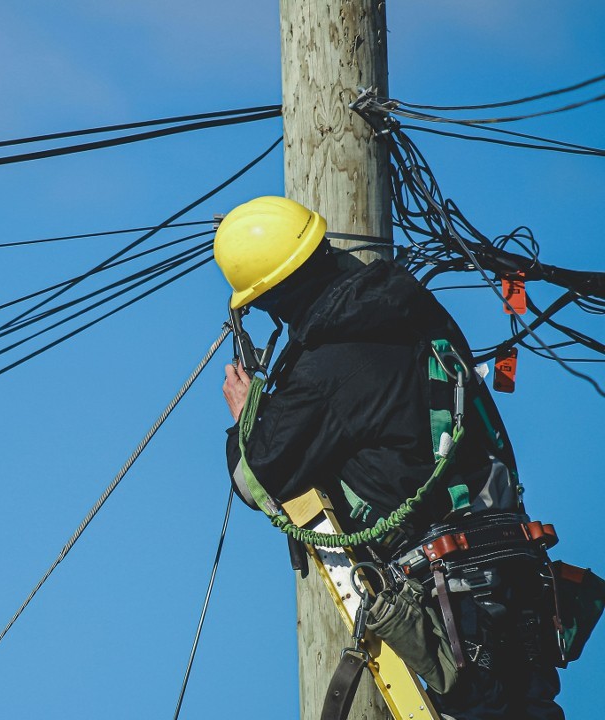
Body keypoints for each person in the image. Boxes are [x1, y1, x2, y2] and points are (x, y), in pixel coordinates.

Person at [214, 196, 565, 720]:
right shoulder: (415, 311)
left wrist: (248, 415)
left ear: (269, 298)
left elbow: (259, 477)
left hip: (447, 596)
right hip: (516, 572)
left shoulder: (325, 366)